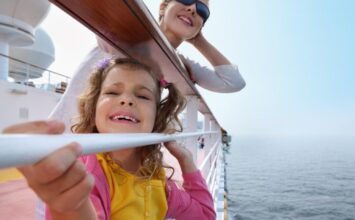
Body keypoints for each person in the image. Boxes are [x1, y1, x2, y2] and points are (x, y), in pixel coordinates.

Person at [3, 58, 216, 220]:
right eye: (113, 92)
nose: (126, 100)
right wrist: (71, 206)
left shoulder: (157, 180)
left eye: (142, 96)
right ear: (94, 107)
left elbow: (205, 215)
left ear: (157, 116)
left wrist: (186, 161)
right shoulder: (87, 175)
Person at [49, 0, 246, 133]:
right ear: (163, 7)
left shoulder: (181, 63)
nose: (193, 9)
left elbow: (233, 83)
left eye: (202, 11)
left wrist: (198, 39)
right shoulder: (130, 26)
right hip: (64, 134)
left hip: (107, 149)